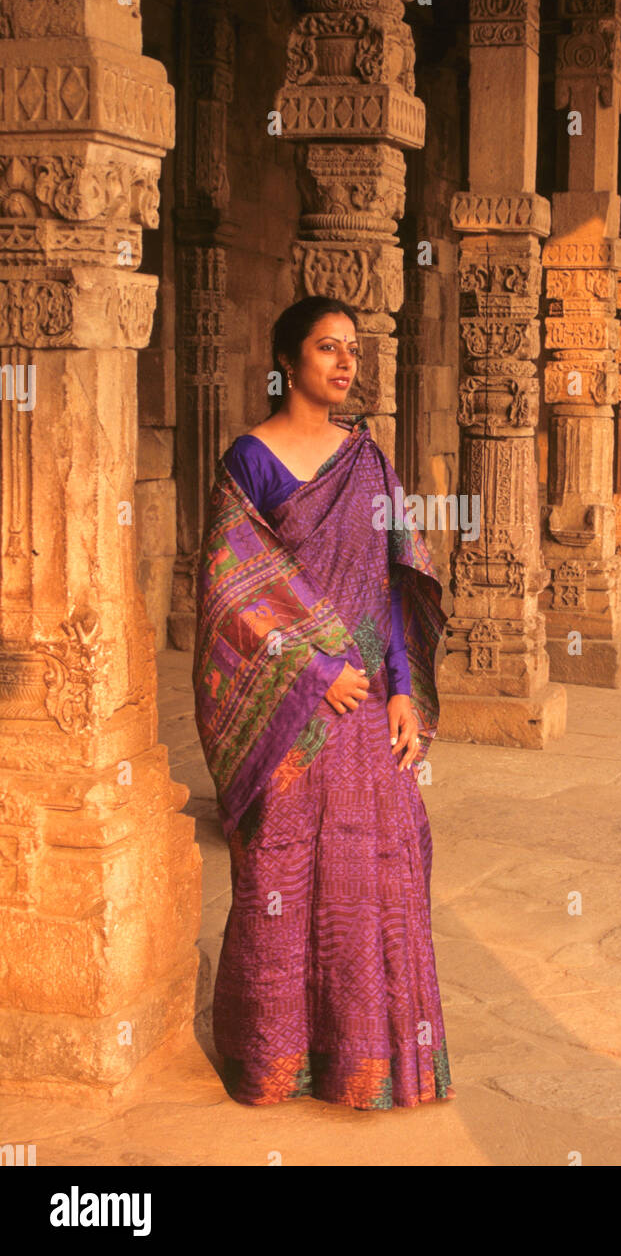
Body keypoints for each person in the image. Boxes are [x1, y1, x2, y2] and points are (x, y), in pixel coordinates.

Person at [192, 295, 455, 1110]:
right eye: (326, 349)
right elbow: (228, 596)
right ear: (288, 362)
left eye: (353, 349)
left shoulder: (368, 462)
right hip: (294, 712)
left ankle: (365, 1064)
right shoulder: (252, 460)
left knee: (378, 877)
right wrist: (310, 672)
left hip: (369, 704)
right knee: (279, 876)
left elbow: (389, 583)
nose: (346, 363)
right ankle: (275, 1062)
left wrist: (404, 691)